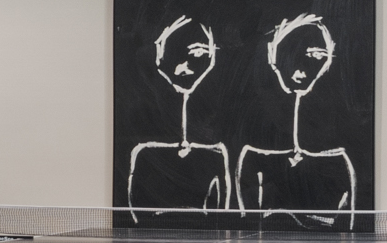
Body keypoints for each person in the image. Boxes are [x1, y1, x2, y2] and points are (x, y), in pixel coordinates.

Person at [233, 12, 358, 222]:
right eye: (290, 52)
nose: (301, 68)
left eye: (317, 56)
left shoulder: (338, 160)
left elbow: (349, 223)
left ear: (328, 60)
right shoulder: (254, 154)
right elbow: (249, 219)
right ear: (273, 56)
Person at [123, 15, 232, 214]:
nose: (183, 66)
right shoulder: (145, 149)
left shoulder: (215, 153)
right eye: (173, 53)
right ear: (159, 58)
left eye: (198, 52)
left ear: (212, 57)